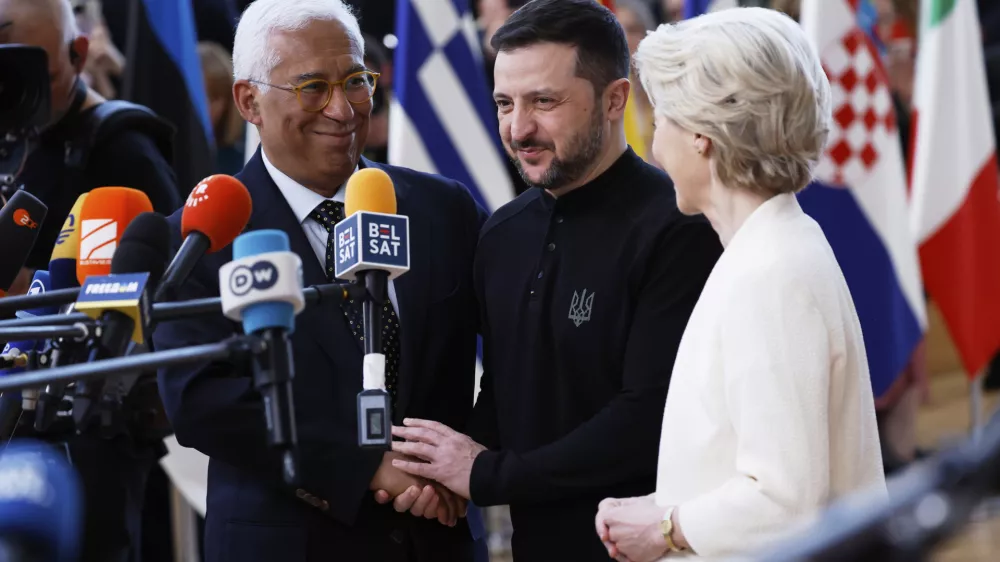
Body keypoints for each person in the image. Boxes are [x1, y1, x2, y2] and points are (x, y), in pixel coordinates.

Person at [151, 1, 488, 561]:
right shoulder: (197, 238)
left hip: (437, 537)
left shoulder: (442, 209)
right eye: (312, 87)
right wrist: (366, 467)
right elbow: (203, 399)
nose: (342, 108)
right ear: (249, 101)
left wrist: (468, 462)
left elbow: (512, 345)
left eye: (356, 80)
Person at [387, 1, 722, 560]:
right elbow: (504, 394)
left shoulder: (679, 226)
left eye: (544, 101)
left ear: (615, 99)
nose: (518, 129)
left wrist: (486, 475)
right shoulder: (500, 235)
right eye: (503, 103)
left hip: (653, 549)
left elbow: (646, 420)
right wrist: (438, 477)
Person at [594, 8, 887, 561]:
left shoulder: (769, 272)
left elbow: (782, 502)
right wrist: (659, 508)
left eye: (662, 123)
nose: (654, 147)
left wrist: (663, 528)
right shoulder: (770, 247)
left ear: (703, 134)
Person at [0, 2, 180, 561]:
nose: (14, 92)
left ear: (78, 54)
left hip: (89, 431)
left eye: (37, 74)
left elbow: (170, 295)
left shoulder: (123, 149)